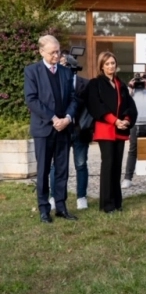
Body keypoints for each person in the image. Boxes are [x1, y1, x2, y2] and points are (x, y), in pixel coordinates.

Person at [24, 35, 78, 223]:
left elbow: (73, 98)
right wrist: (54, 118)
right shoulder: (32, 71)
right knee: (44, 170)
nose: (57, 55)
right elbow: (31, 99)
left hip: (64, 129)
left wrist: (68, 118)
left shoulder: (66, 72)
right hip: (44, 129)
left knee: (62, 169)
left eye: (58, 51)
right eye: (52, 52)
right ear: (41, 52)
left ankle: (61, 207)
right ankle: (44, 209)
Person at [86, 51, 137, 213]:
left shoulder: (121, 84)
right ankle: (106, 205)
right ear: (102, 66)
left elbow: (130, 106)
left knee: (117, 166)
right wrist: (114, 120)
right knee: (107, 165)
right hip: (106, 129)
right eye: (107, 64)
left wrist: (127, 120)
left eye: (113, 63)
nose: (110, 66)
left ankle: (117, 202)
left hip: (120, 130)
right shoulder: (95, 84)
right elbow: (96, 105)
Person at [49, 54, 92, 210]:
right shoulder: (55, 83)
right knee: (57, 166)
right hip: (61, 130)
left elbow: (91, 109)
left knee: (81, 164)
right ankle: (54, 197)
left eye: (65, 64)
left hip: (81, 130)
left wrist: (85, 127)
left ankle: (81, 197)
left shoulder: (86, 84)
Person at [121, 64, 146, 189]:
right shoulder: (132, 85)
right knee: (133, 151)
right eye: (141, 71)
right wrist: (130, 87)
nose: (144, 73)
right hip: (136, 123)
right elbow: (123, 100)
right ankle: (128, 178)